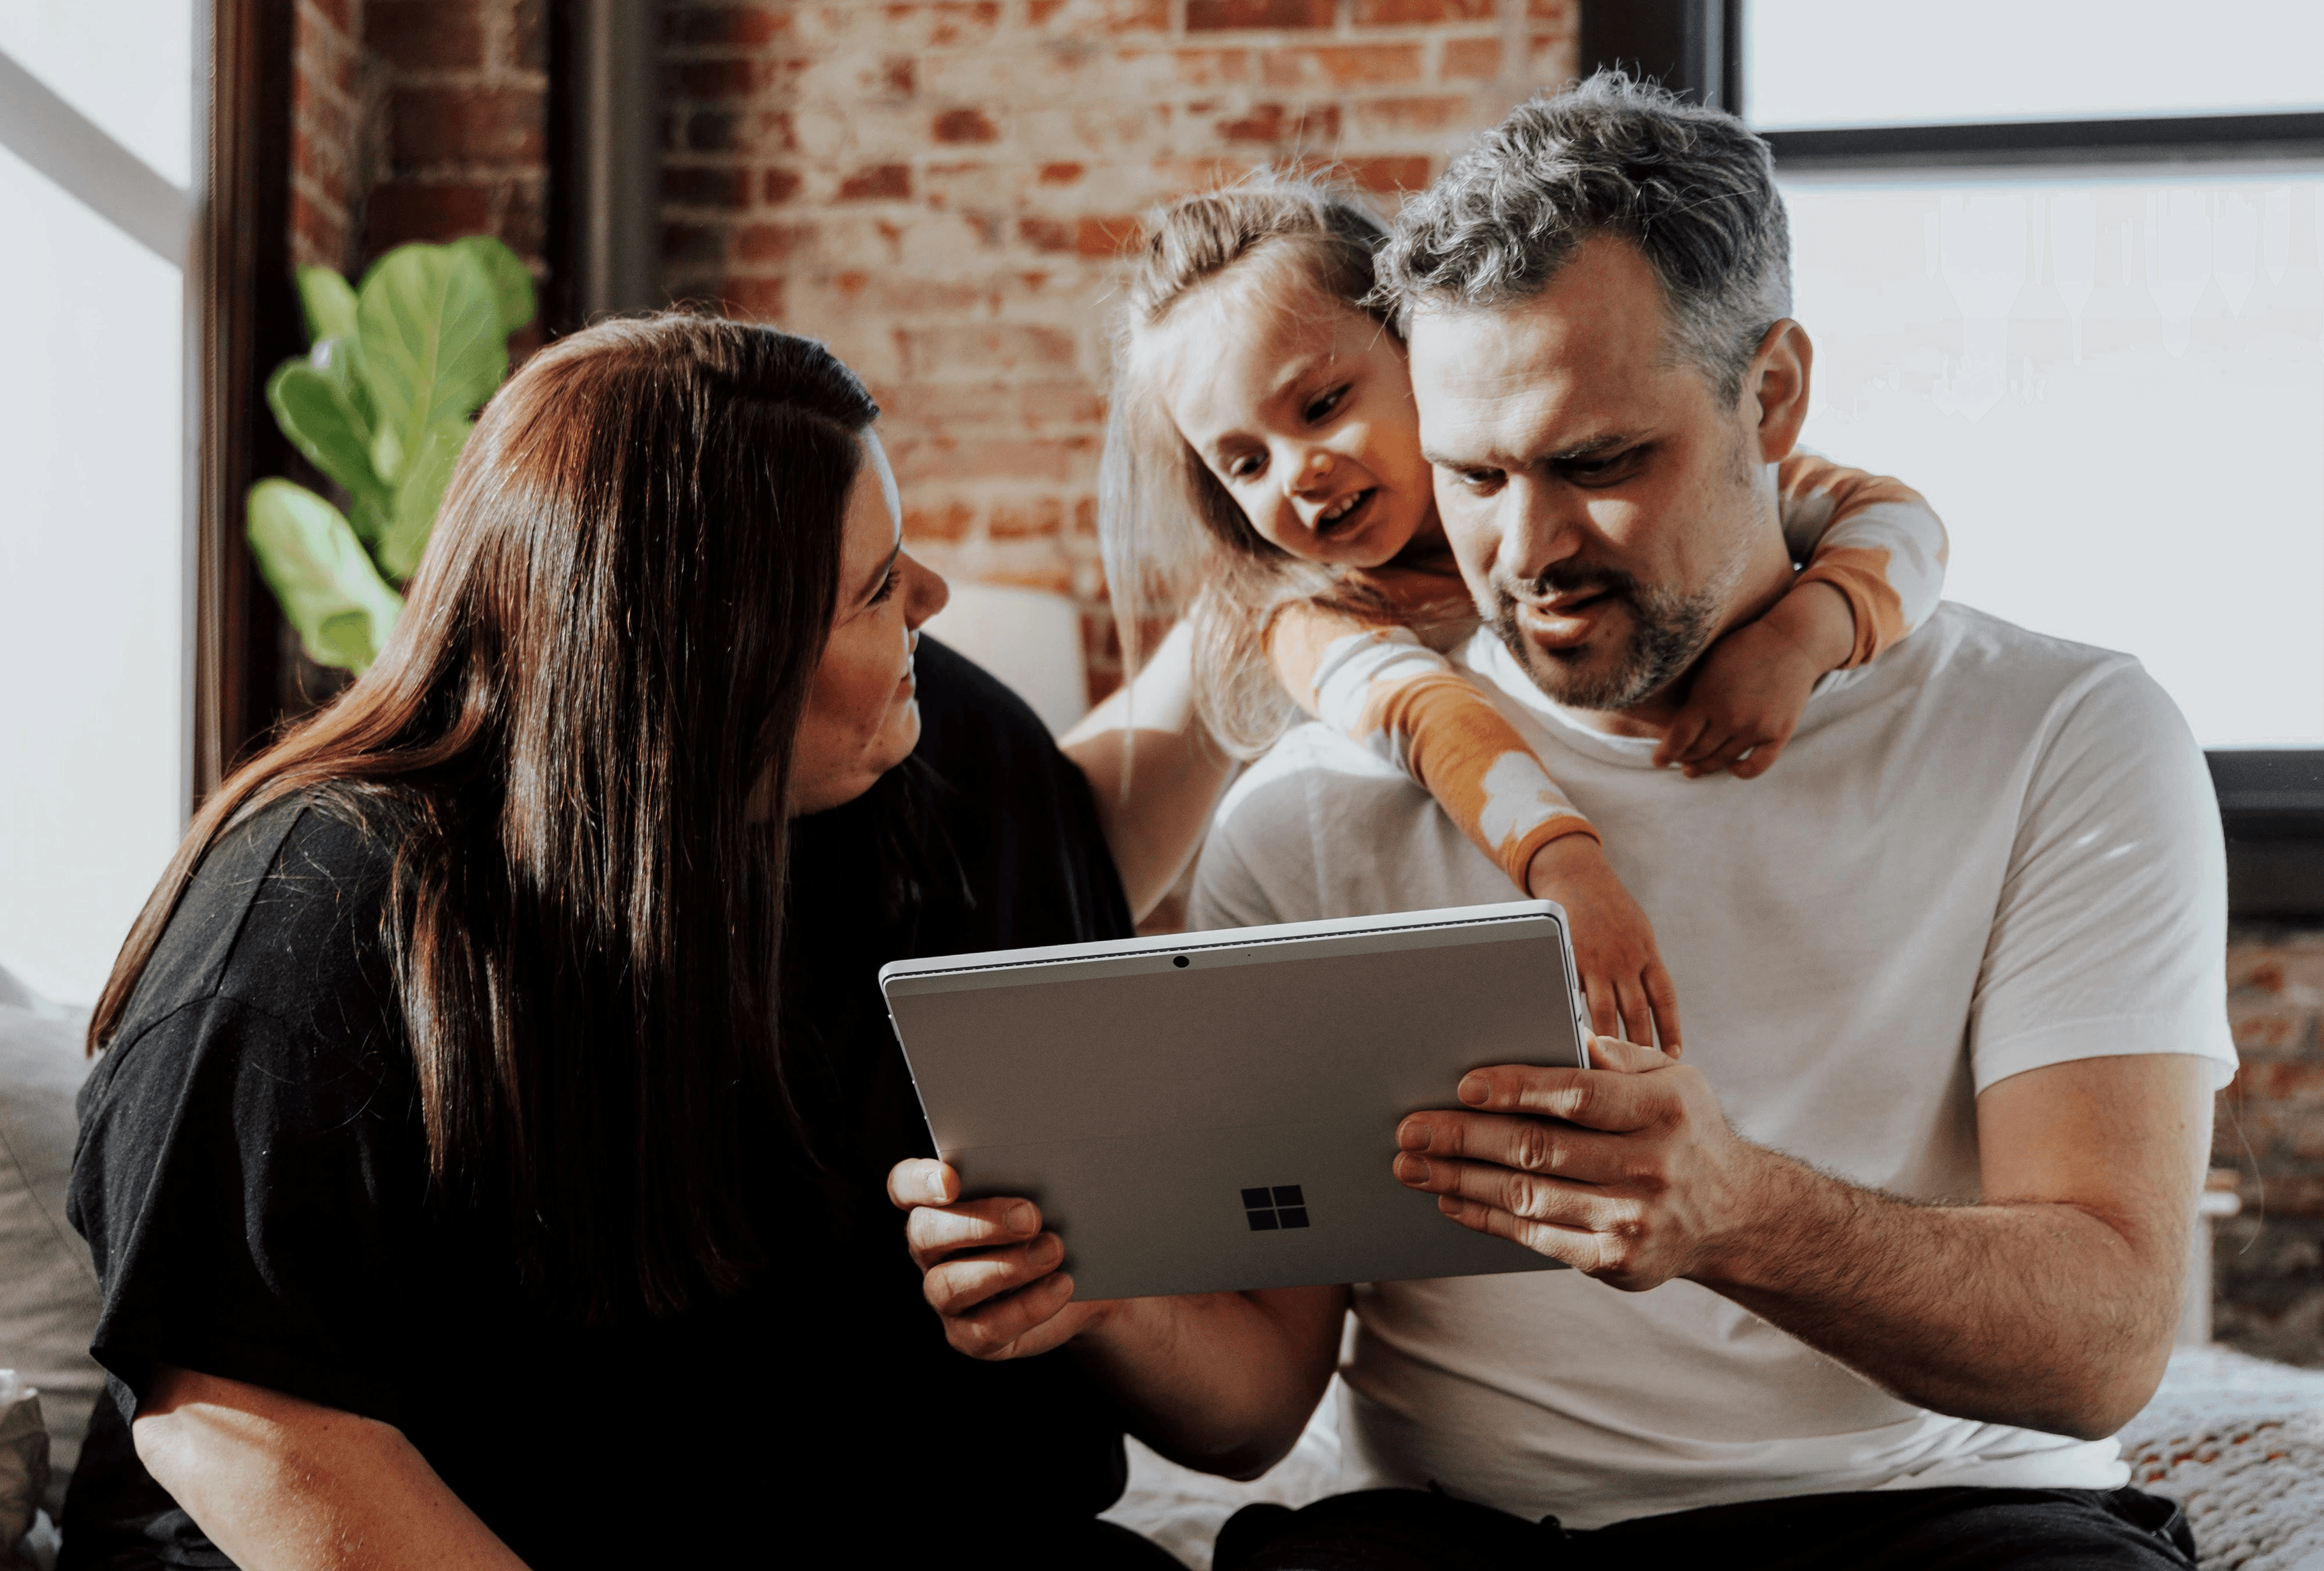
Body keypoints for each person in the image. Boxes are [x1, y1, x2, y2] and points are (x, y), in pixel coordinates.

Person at [903, 75, 2233, 1568]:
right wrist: (1095, 1292)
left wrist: (1738, 1216)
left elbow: (2104, 1347)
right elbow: (1258, 1411)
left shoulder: (2064, 733)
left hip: (1943, 1520)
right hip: (1466, 1540)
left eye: (1597, 465)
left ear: (1772, 395)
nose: (1526, 554)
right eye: (1473, 475)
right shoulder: (1312, 809)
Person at [58, 316, 1334, 1569]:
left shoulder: (925, 757)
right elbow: (246, 1433)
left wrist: (1309, 580)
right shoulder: (320, 912)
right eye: (879, 588)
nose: (933, 601)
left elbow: (1092, 827)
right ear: (702, 672)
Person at [1077, 172, 1948, 1047]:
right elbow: (1431, 716)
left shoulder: (1622, 465)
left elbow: (1893, 516)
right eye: (1244, 463)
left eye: (1322, 405)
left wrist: (1801, 637)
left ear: (1417, 353)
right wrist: (1568, 872)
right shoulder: (1310, 615)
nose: (1297, 472)